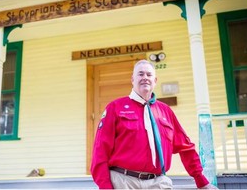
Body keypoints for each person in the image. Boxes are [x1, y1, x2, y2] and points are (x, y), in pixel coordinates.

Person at [91, 59, 218, 189]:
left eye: (149, 75)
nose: (145, 78)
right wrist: (105, 186)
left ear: (155, 81)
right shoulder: (115, 107)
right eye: (140, 74)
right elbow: (100, 150)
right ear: (132, 80)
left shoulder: (165, 111)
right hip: (123, 181)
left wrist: (200, 180)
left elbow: (186, 147)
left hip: (158, 182)